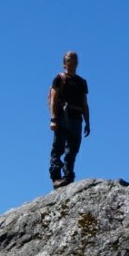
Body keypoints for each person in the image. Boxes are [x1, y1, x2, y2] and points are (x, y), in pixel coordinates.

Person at [48, 51, 90, 188]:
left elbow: (84, 103)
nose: (72, 61)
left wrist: (87, 122)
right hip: (62, 117)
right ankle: (56, 177)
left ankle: (68, 176)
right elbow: (53, 99)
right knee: (58, 147)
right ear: (64, 63)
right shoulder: (59, 79)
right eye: (69, 59)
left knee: (73, 148)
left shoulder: (81, 82)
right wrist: (53, 119)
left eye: (75, 59)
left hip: (77, 118)